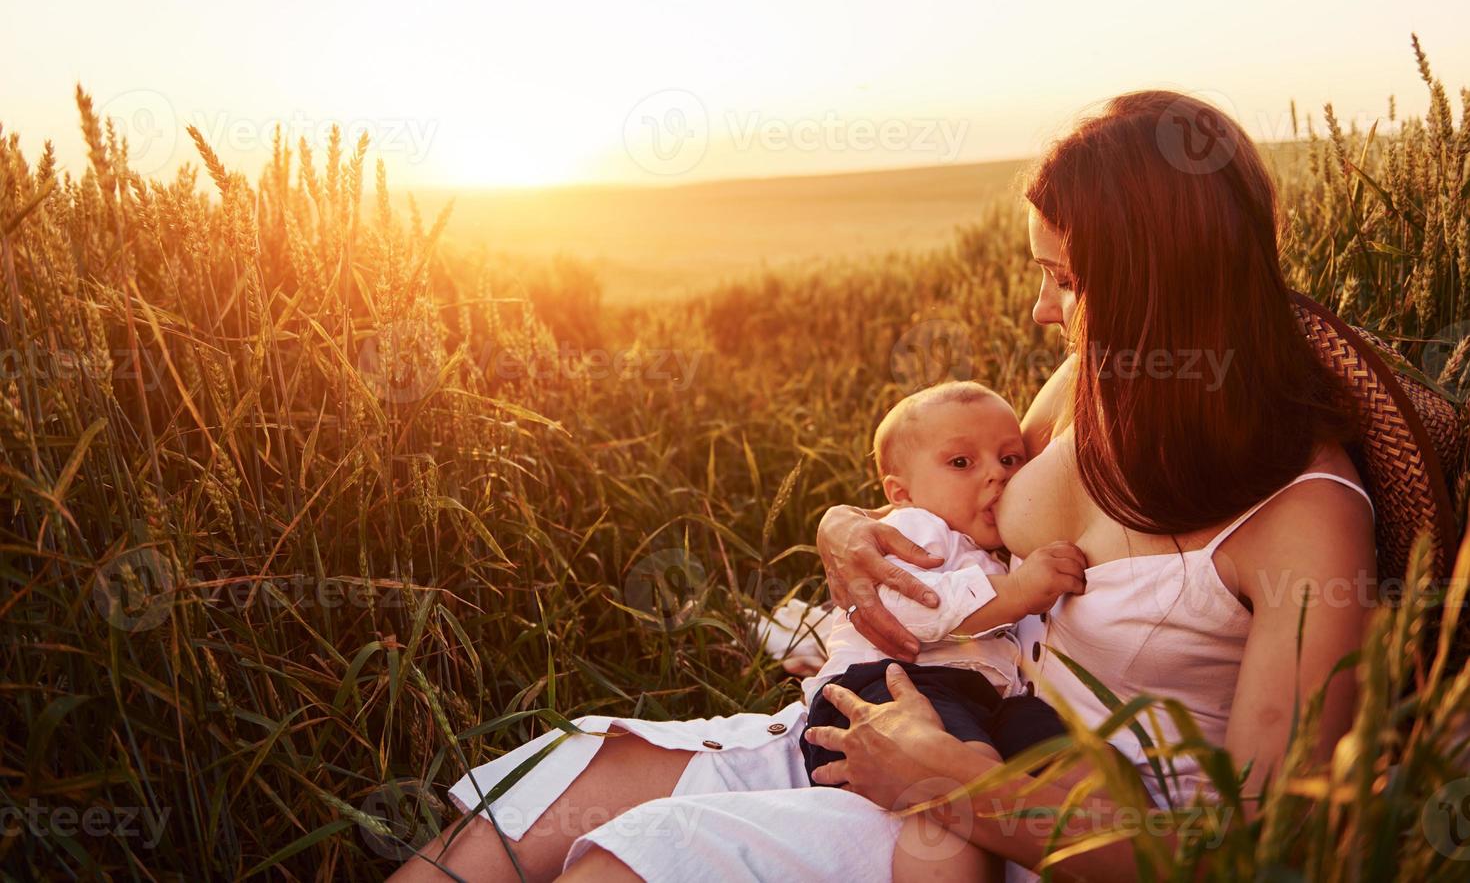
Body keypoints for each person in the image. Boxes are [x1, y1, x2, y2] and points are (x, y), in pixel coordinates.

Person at [390, 92, 1384, 882]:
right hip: (926, 706)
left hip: (1038, 824)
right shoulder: (1097, 386)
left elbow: (1266, 851)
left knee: (627, 859)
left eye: (1069, 282)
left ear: (1163, 283)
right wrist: (844, 526)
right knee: (563, 780)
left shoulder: (1306, 520)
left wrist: (969, 788)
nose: (1043, 311)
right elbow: (963, 505)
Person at [800, 379, 1082, 790]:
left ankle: (1089, 812)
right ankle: (977, 833)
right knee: (968, 762)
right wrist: (1018, 591)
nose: (996, 475)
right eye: (961, 463)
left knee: (1058, 748)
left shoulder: (998, 549)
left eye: (1009, 459)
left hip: (988, 697)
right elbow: (905, 606)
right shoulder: (914, 527)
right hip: (890, 687)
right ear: (901, 493)